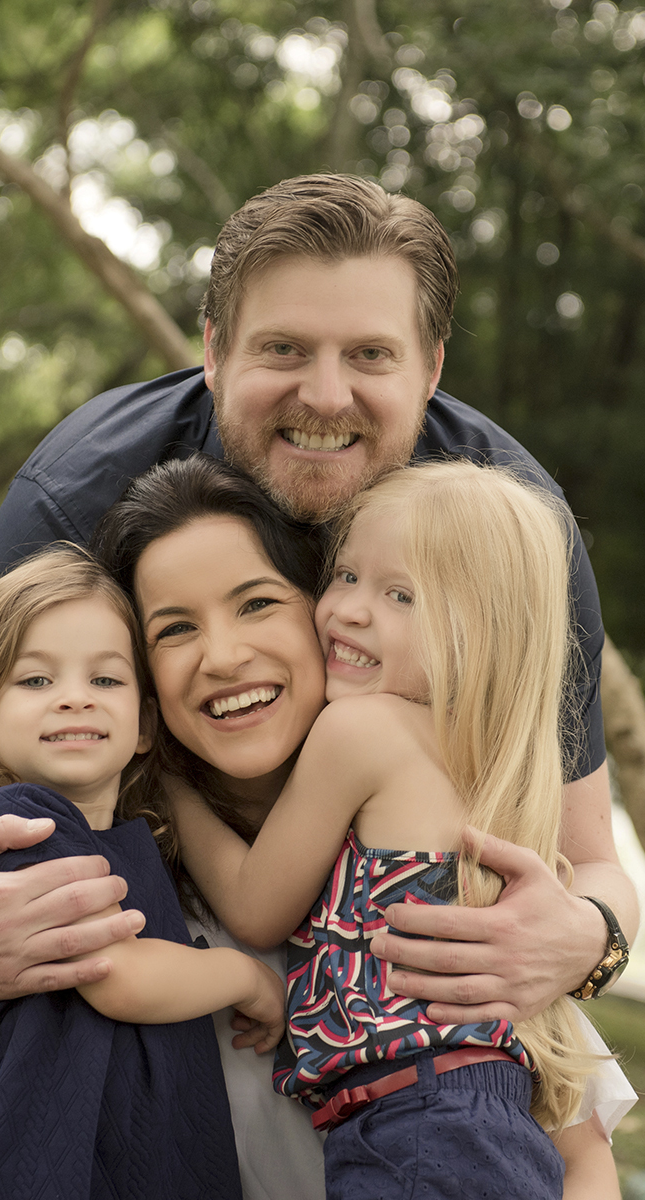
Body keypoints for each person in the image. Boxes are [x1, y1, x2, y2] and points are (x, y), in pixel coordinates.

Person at [0, 174, 637, 1196]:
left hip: (391, 896)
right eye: (281, 349)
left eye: (368, 355)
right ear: (212, 349)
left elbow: (588, 860)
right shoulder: (74, 499)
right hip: (151, 843)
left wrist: (583, 935)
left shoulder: (502, 528)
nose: (323, 394)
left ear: (430, 366)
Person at [96, 454, 630, 1200]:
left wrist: (167, 785)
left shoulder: (359, 732)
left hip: (416, 1128)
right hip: (460, 1125)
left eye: (400, 595)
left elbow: (255, 907)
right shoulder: (482, 798)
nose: (349, 609)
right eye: (345, 577)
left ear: (477, 633)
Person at [0, 542, 286, 1200]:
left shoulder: (134, 840)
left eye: (105, 680)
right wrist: (245, 977)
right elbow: (114, 972)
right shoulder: (19, 821)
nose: (75, 699)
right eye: (36, 680)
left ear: (145, 725)